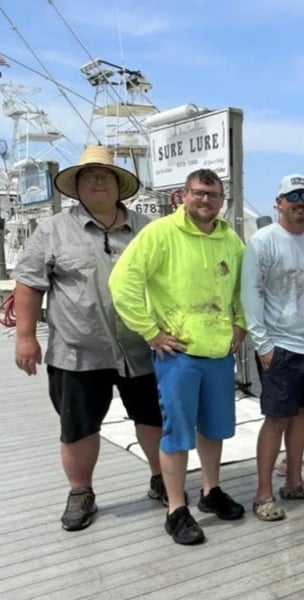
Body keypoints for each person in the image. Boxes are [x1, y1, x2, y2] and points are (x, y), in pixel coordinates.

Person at [13, 145, 165, 532]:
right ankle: (81, 492)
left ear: (120, 186)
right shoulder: (52, 230)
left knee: (154, 419)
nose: (98, 181)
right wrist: (26, 338)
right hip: (77, 351)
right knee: (78, 427)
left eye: (106, 176)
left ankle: (161, 478)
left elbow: (166, 281)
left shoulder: (148, 228)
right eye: (89, 176)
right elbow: (29, 285)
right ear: (76, 186)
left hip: (143, 347)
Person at [108, 168, 246, 545]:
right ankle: (175, 507)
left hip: (219, 351)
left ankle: (210, 490)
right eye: (199, 193)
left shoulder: (230, 238)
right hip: (179, 354)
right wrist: (150, 332)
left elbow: (239, 287)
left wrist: (241, 322)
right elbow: (122, 283)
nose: (206, 200)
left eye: (213, 195)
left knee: (215, 428)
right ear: (182, 195)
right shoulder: (159, 233)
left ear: (222, 200)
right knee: (176, 434)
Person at [241, 174, 304, 522]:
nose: (300, 202)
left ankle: (294, 480)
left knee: (303, 414)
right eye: (292, 196)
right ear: (278, 202)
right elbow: (252, 295)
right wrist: (262, 344)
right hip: (279, 345)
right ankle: (262, 492)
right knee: (276, 419)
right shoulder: (262, 242)